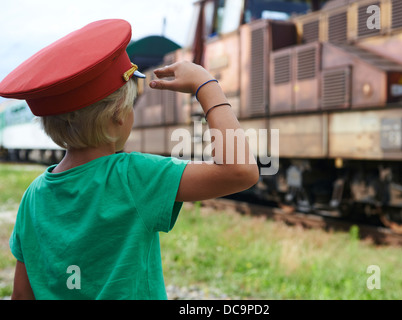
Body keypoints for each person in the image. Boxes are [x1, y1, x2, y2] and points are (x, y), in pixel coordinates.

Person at [0, 19, 259, 300]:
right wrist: (206, 86)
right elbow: (240, 171)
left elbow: (22, 296)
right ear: (118, 116)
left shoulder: (33, 197)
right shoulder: (134, 177)